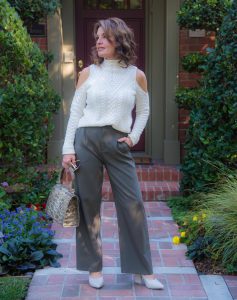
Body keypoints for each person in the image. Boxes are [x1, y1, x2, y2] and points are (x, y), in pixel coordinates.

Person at [62, 17, 164, 290]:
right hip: (86, 140)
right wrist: (67, 148)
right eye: (97, 36)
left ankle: (142, 269)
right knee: (88, 204)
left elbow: (143, 110)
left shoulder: (136, 75)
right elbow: (75, 112)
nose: (98, 41)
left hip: (118, 144)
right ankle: (93, 267)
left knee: (132, 204)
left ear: (119, 39)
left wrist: (133, 137)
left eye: (105, 36)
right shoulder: (89, 73)